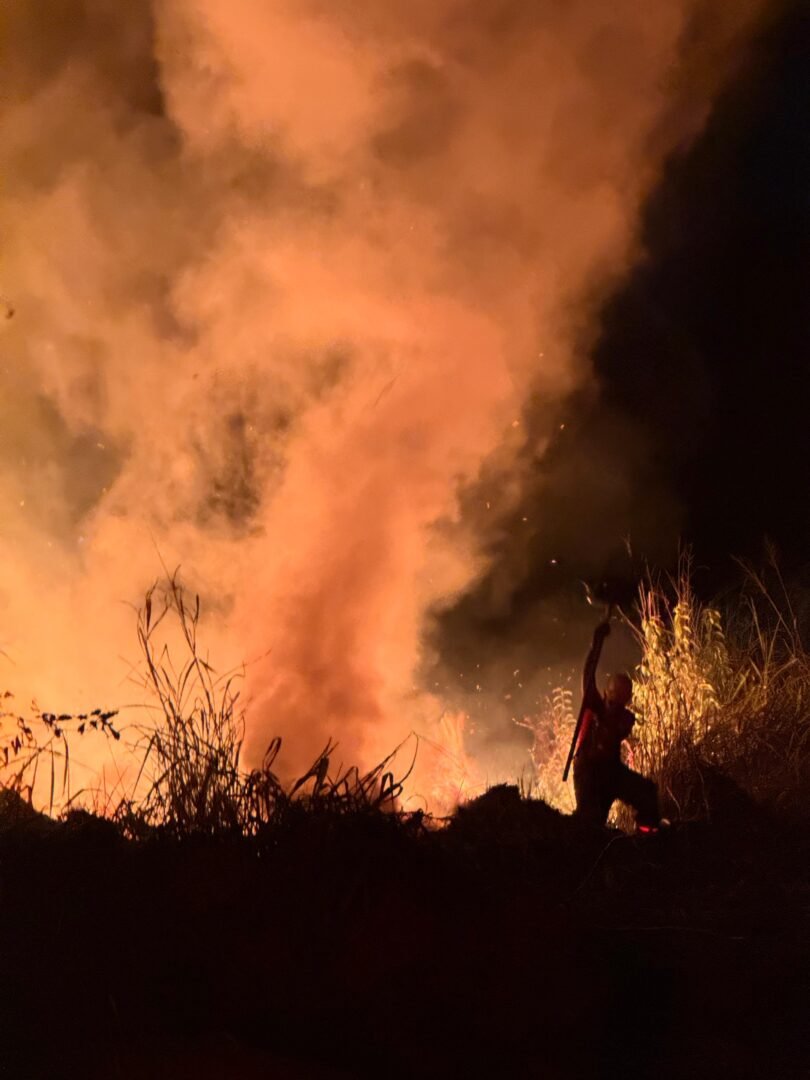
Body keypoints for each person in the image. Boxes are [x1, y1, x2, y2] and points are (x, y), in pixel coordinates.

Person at [573, 621, 660, 830]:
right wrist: (596, 643)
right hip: (588, 772)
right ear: (606, 693)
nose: (614, 701)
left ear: (626, 700)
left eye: (620, 698)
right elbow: (588, 673)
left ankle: (646, 836)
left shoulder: (626, 719)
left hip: (610, 771)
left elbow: (615, 732)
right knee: (590, 822)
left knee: (646, 793)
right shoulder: (594, 705)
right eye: (613, 696)